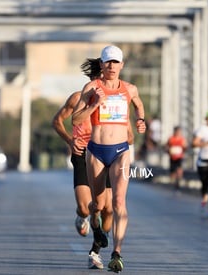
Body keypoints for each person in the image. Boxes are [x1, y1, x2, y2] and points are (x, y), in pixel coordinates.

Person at [52, 57, 134, 269]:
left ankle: (95, 250)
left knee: (108, 209)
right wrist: (71, 141)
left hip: (109, 153)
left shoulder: (115, 99)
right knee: (85, 206)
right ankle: (82, 217)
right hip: (83, 154)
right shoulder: (78, 98)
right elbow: (58, 121)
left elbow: (130, 135)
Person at [72, 45, 146, 272]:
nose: (112, 66)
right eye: (108, 62)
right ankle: (94, 222)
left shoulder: (130, 89)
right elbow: (75, 119)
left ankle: (117, 253)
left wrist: (141, 120)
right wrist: (94, 104)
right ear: (102, 65)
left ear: (122, 65)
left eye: (116, 62)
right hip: (96, 151)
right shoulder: (91, 87)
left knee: (118, 203)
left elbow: (139, 105)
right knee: (98, 204)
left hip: (121, 151)